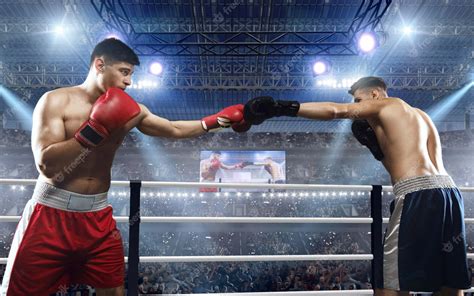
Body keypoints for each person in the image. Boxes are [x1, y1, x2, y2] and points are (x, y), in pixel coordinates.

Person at [1, 38, 249, 296]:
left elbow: (173, 129)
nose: (129, 81)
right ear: (100, 65)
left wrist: (216, 121)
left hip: (97, 217)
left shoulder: (132, 111)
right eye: (124, 72)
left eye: (131, 74)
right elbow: (47, 165)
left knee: (114, 292)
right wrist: (95, 131)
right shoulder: (56, 101)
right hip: (50, 214)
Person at [243, 76, 470, 296]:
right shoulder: (422, 116)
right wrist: (378, 150)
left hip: (416, 193)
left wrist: (280, 108)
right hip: (449, 193)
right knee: (450, 279)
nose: (357, 108)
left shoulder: (385, 105)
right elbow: (412, 159)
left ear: (374, 94)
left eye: (359, 101)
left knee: (388, 281)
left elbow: (335, 110)